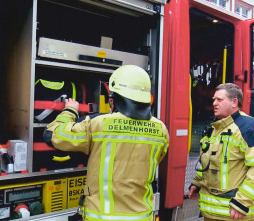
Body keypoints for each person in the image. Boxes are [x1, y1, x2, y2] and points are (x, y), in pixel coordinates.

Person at [44, 65, 169, 221]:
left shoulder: (98, 125)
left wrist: (70, 111)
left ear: (114, 98)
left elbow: (52, 134)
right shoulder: (161, 129)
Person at [188, 83, 254, 221]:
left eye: (219, 100)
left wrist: (242, 202)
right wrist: (196, 183)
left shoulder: (249, 128)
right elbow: (207, 162)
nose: (214, 103)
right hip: (212, 215)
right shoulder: (216, 129)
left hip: (240, 216)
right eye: (214, 99)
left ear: (234, 102)